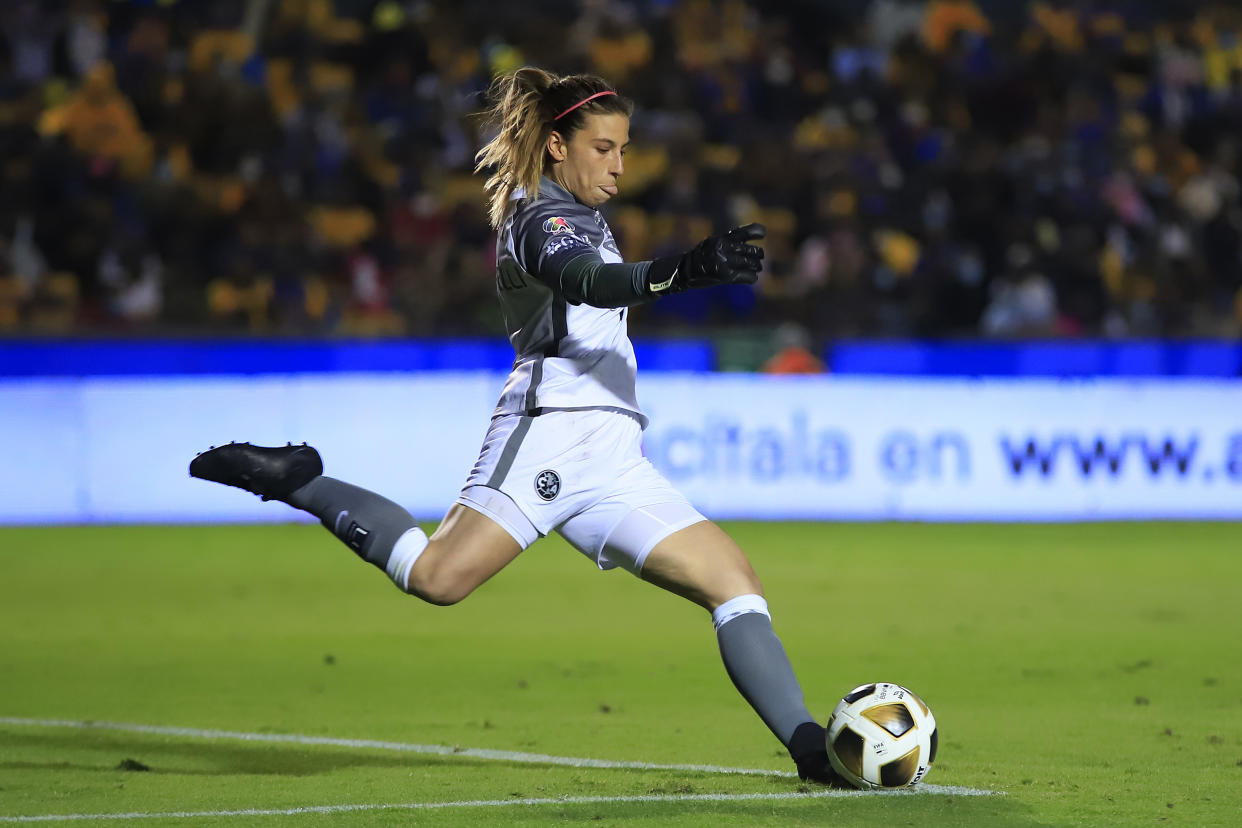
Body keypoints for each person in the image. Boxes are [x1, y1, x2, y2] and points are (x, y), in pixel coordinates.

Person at [190, 66, 844, 787]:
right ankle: (304, 482)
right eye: (604, 148)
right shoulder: (542, 219)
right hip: (552, 429)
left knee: (734, 582)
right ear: (559, 147)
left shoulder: (580, 216)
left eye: (625, 149)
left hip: (616, 454)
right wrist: (681, 271)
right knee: (438, 578)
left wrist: (671, 273)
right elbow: (591, 284)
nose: (620, 165)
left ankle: (814, 754)